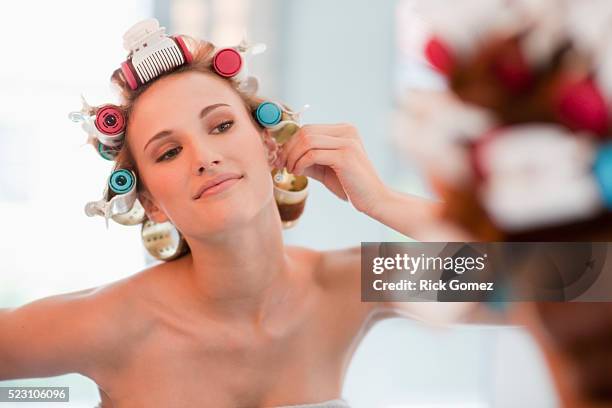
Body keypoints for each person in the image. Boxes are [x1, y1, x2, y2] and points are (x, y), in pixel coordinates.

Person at [0, 20, 473, 408]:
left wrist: (383, 201)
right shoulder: (106, 323)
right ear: (150, 202)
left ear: (270, 146)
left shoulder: (354, 283)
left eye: (222, 125)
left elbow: (544, 277)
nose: (203, 157)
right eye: (168, 152)